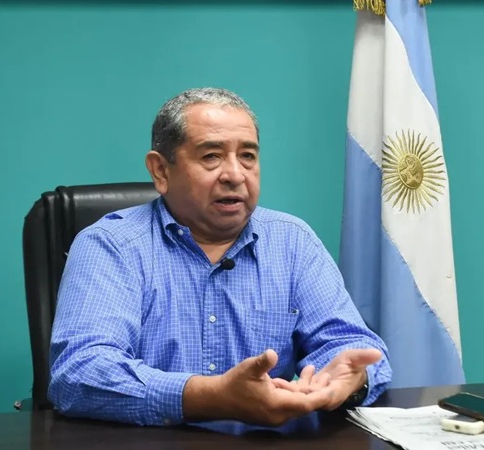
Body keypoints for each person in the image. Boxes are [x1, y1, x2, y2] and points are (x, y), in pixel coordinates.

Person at [48, 87, 392, 427]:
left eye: (248, 156)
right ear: (161, 171)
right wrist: (208, 397)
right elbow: (80, 372)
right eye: (211, 156)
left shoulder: (292, 242)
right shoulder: (111, 245)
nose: (235, 175)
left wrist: (347, 380)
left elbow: (351, 345)